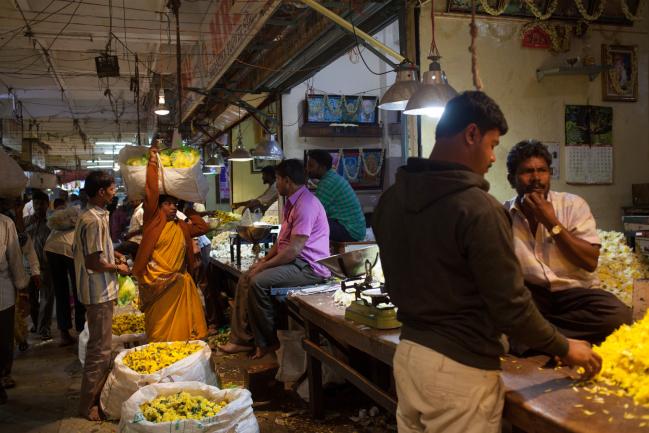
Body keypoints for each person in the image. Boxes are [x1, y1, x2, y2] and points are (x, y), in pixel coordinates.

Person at [372, 91, 602, 433]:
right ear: (470, 134)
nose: (493, 157)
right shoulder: (479, 207)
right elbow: (510, 307)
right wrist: (566, 348)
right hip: (460, 368)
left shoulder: (389, 200)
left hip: (410, 358)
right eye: (492, 144)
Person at [505, 140, 632, 346]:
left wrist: (551, 222)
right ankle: (556, 339)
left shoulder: (573, 205)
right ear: (512, 179)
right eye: (527, 171)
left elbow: (590, 262)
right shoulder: (503, 216)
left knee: (619, 317)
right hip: (532, 297)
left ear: (550, 174)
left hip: (576, 295)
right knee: (494, 314)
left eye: (542, 170)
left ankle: (537, 337)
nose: (536, 178)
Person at [218, 159, 331, 359]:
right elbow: (281, 243)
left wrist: (264, 268)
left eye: (277, 179)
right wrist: (262, 261)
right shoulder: (291, 203)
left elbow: (293, 250)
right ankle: (241, 340)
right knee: (246, 277)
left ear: (287, 181)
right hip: (295, 263)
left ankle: (268, 343)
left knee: (257, 282)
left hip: (310, 268)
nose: (276, 183)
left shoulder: (306, 205)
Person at [131, 144, 209, 343]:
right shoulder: (152, 221)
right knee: (159, 331)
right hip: (157, 285)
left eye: (175, 204)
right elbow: (151, 192)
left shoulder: (181, 226)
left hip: (178, 285)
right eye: (168, 204)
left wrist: (189, 206)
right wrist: (152, 162)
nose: (173, 207)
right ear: (158, 207)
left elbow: (202, 228)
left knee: (181, 333)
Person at [73, 170, 130, 420]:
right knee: (100, 350)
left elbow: (99, 252)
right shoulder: (93, 220)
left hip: (98, 290)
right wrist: (117, 267)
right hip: (97, 292)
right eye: (111, 187)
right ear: (100, 192)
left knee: (102, 347)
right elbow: (94, 262)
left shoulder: (95, 215)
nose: (114, 191)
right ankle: (88, 405)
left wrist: (114, 254)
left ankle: (94, 399)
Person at [0, 203, 30, 403]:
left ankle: (3, 375)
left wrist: (22, 287)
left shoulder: (5, 223)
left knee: (3, 339)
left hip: (3, 292)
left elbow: (15, 259)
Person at [45, 205, 85, 346]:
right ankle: (81, 330)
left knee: (60, 291)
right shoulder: (82, 220)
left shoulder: (58, 226)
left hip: (51, 248)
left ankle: (64, 333)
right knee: (79, 289)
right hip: (68, 249)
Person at [306, 149, 366, 242]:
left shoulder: (327, 183)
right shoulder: (332, 177)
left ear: (322, 167)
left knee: (313, 223)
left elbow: (314, 214)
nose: (308, 169)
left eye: (311, 165)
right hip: (356, 230)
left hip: (351, 232)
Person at [24, 189, 53, 341]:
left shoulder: (52, 222)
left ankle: (44, 328)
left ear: (47, 204)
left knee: (47, 299)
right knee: (32, 299)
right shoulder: (26, 221)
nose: (38, 206)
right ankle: (36, 324)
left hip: (46, 267)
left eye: (41, 203)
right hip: (29, 267)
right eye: (36, 203)